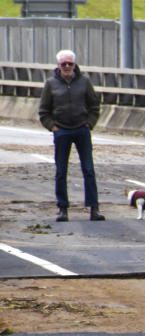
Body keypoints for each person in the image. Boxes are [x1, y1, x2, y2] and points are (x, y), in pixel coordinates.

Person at [38, 49, 104, 222]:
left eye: (70, 64)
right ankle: (63, 208)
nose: (67, 67)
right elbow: (44, 111)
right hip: (62, 131)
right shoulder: (51, 84)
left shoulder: (84, 82)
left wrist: (89, 123)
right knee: (61, 171)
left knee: (88, 169)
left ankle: (93, 208)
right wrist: (52, 127)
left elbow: (94, 105)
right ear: (58, 66)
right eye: (63, 64)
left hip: (81, 129)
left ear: (75, 65)